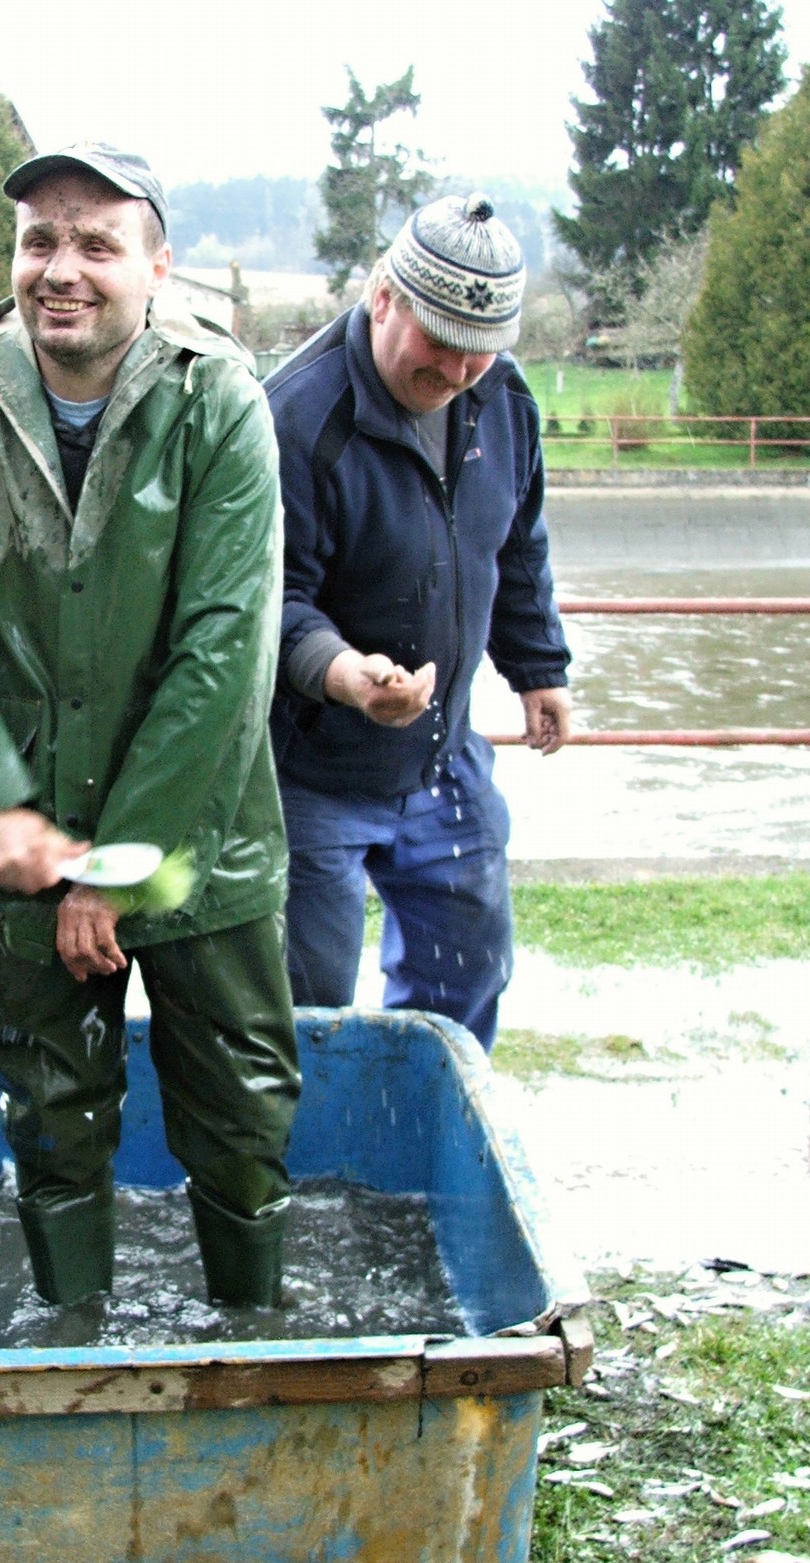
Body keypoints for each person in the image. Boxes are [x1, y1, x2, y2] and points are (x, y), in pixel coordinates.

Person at [0, 143, 299, 1309]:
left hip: (200, 839)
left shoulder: (219, 401)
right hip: (25, 835)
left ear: (157, 266)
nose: (62, 269)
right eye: (39, 240)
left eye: (97, 244)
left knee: (241, 1108)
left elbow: (225, 650)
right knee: (49, 1109)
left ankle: (253, 1335)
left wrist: (120, 867)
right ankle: (73, 1342)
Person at [264, 193, 572, 1052]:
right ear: (383, 295)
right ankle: (314, 1129)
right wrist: (345, 675)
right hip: (310, 769)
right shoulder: (293, 418)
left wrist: (539, 668)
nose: (459, 370)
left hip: (444, 751)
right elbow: (268, 599)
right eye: (440, 340)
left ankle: (430, 1111)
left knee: (468, 971)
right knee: (308, 1004)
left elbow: (515, 540)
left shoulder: (503, 398)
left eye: (483, 347)